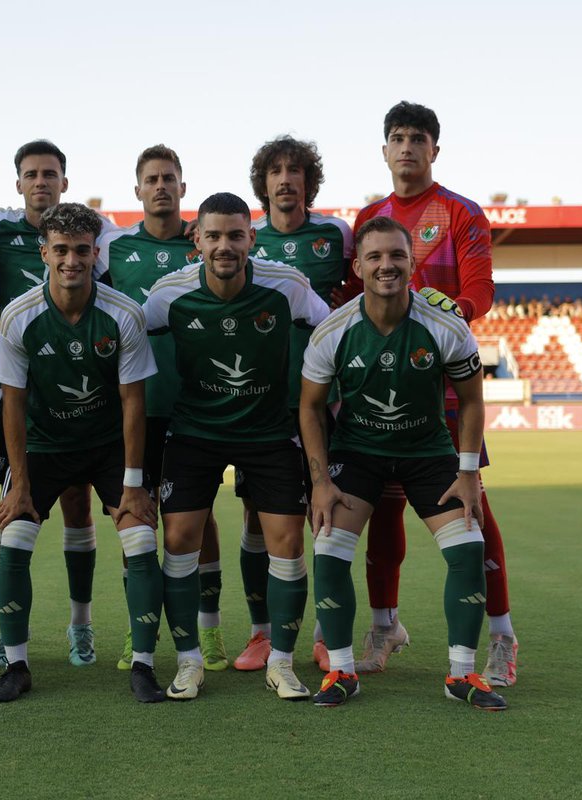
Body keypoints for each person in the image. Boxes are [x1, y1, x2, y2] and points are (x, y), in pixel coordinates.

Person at [299, 216, 507, 711]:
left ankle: (462, 674)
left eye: (396, 256)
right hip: (359, 451)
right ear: (359, 265)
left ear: (413, 264)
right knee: (329, 545)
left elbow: (473, 401)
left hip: (427, 451)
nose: (386, 265)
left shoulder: (445, 326)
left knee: (468, 547)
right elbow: (308, 407)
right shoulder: (334, 330)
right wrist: (321, 481)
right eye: (374, 257)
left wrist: (467, 472)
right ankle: (342, 671)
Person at [344, 102, 517, 685]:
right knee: (382, 509)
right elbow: (353, 299)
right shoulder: (370, 217)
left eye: (419, 138)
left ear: (434, 150)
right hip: (379, 395)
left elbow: (480, 290)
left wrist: (448, 320)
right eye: (397, 137)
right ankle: (385, 625)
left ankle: (501, 636)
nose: (408, 146)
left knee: (471, 509)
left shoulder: (462, 213)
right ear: (385, 150)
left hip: (444, 392)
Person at [144, 193, 330, 701]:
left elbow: (333, 327)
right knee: (179, 537)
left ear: (252, 239)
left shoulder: (287, 286)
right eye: (214, 236)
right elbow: (127, 337)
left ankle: (283, 662)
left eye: (235, 235)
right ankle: (188, 663)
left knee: (288, 543)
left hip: (269, 433)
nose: (225, 246)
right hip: (194, 431)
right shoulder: (167, 295)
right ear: (197, 240)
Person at [0, 202, 163, 703]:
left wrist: (132, 483)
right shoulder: (19, 316)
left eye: (82, 250)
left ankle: (144, 666)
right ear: (44, 253)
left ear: (95, 253)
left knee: (141, 541)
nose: (72, 260)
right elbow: (13, 407)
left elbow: (135, 403)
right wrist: (20, 483)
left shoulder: (122, 313)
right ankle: (17, 665)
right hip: (44, 447)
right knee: (15, 539)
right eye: (61, 250)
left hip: (109, 447)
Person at [95, 145, 229, 672]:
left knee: (200, 519)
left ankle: (210, 629)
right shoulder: (115, 249)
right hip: (138, 408)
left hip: (198, 406)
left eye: (169, 178)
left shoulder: (205, 243)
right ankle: (139, 629)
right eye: (151, 179)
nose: (161, 187)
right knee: (136, 518)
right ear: (138, 190)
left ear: (183, 187)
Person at [0, 141, 114, 667]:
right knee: (15, 510)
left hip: (79, 387)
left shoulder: (92, 230)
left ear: (64, 180)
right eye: (31, 174)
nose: (41, 181)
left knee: (80, 506)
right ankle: (9, 636)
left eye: (50, 174)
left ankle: (80, 626)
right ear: (18, 183)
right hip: (26, 398)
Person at [231, 135, 353, 672]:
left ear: (309, 181)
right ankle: (261, 632)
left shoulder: (336, 235)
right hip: (265, 402)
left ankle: (328, 633)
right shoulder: (245, 239)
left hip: (327, 400)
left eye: (294, 170)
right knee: (258, 516)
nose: (285, 179)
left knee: (327, 513)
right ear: (263, 183)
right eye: (275, 170)